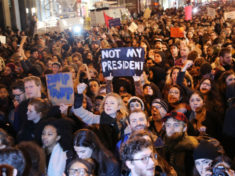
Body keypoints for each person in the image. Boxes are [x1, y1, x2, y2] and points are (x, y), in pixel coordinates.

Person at [73, 83, 128, 151]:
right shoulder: (98, 119)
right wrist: (79, 94)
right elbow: (78, 112)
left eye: (112, 103)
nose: (108, 105)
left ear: (119, 107)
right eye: (106, 103)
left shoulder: (125, 122)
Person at [160, 111, 199, 176]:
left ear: (185, 128)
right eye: (168, 125)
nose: (172, 129)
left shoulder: (191, 148)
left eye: (176, 125)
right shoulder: (162, 145)